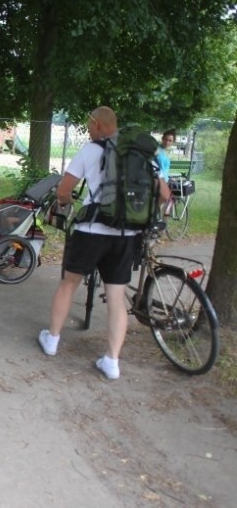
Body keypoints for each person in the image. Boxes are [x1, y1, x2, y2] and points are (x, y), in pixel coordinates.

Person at [37, 106, 170, 380]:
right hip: (126, 235)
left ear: (97, 124)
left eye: (88, 125)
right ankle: (111, 361)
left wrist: (67, 202)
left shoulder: (91, 150)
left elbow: (63, 190)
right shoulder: (142, 153)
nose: (88, 129)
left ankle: (52, 340)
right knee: (116, 297)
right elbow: (164, 194)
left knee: (69, 283)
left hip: (91, 230)